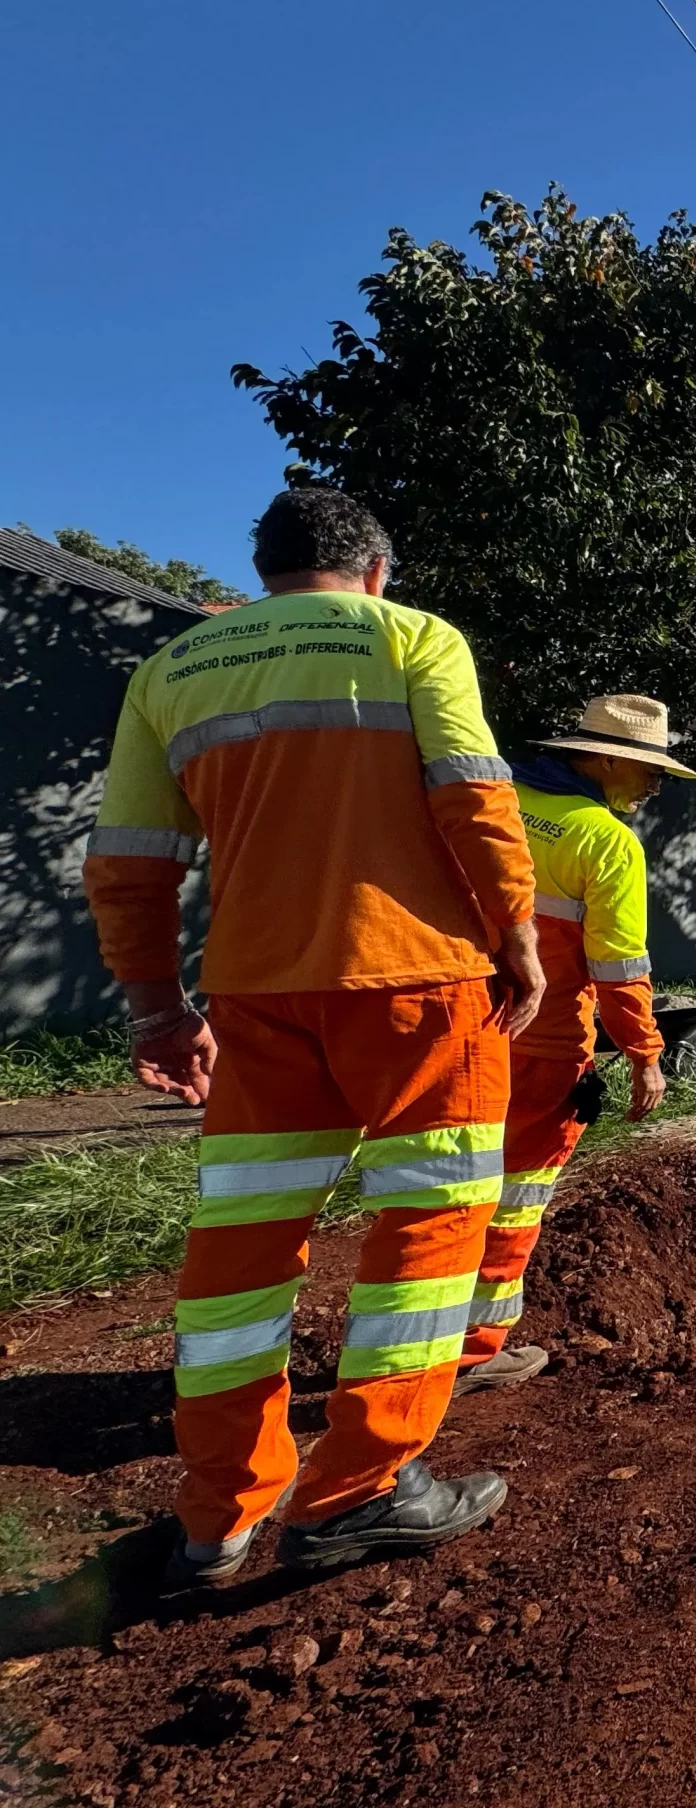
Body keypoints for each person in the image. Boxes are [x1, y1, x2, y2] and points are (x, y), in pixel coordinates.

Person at [82, 487, 543, 1587]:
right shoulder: (412, 638)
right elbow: (473, 798)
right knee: (428, 1230)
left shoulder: (175, 669)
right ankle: (361, 1488)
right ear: (375, 570)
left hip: (254, 999)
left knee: (242, 1248)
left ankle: (217, 1516)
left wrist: (157, 1005)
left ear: (266, 572)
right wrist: (516, 933)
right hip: (417, 983)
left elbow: (131, 856)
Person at [454, 694, 695, 1393]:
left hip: (448, 1030)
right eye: (648, 771)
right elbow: (621, 967)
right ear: (606, 759)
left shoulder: (486, 800)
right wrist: (646, 1056)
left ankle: (400, 1340)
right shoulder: (603, 840)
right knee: (514, 1198)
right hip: (543, 1046)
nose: (653, 786)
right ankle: (473, 1350)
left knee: (439, 1191)